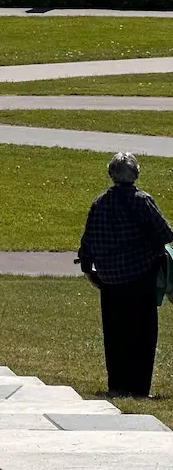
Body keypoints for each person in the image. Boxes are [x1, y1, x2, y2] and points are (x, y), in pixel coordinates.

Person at [78, 151, 173, 398]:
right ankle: (140, 388)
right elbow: (165, 234)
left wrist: (89, 270)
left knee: (115, 334)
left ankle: (117, 385)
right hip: (140, 275)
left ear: (111, 175)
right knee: (143, 334)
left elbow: (87, 242)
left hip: (109, 279)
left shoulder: (99, 203)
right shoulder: (142, 201)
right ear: (136, 173)